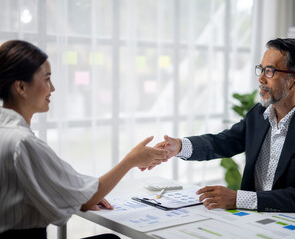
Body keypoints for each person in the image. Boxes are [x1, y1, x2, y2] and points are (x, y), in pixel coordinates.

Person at [155, 38, 295, 216]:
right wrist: (179, 146)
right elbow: (223, 142)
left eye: (270, 71)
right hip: (256, 219)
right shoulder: (258, 115)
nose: (261, 79)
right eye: (261, 69)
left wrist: (239, 199)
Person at [0, 40, 169, 238]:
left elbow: (74, 192)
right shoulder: (23, 143)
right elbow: (86, 200)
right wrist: (131, 160)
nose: (52, 88)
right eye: (46, 79)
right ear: (21, 87)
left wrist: (81, 194)